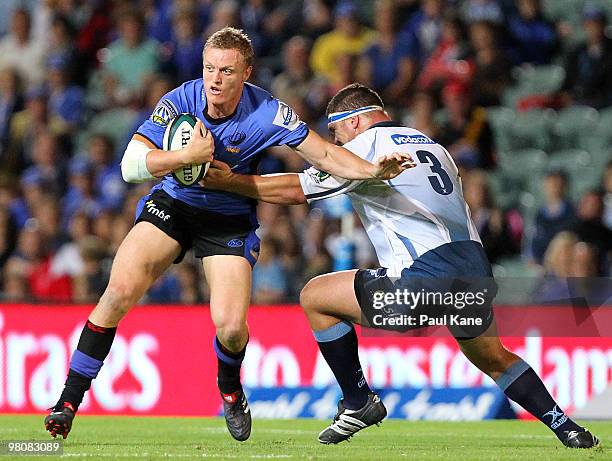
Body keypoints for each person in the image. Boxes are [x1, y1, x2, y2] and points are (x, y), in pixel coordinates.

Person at [44, 28, 409, 442]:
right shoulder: (181, 99)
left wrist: (373, 170)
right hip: (174, 206)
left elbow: (324, 153)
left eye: (226, 71)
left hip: (229, 218)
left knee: (232, 328)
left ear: (246, 73)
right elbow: (130, 165)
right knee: (118, 292)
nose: (215, 80)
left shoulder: (268, 112)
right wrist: (186, 156)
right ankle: (67, 402)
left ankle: (230, 388)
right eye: (209, 69)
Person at [202, 83, 600, 449]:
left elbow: (297, 189)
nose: (335, 148)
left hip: (423, 278)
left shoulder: (366, 147)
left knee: (315, 296)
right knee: (493, 356)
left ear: (354, 122)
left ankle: (358, 400)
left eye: (337, 138)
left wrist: (229, 182)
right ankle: (567, 427)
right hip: (474, 273)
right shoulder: (433, 146)